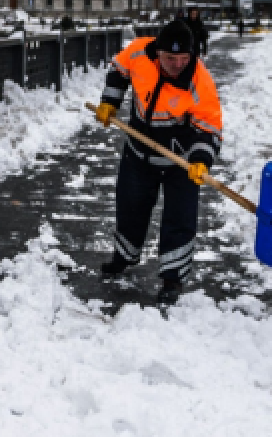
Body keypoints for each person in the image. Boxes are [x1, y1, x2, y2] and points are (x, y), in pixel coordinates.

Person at [93, 19, 223, 305]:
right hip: (139, 150)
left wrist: (201, 159)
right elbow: (118, 70)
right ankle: (123, 257)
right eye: (170, 58)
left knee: (179, 217)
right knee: (130, 207)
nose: (177, 65)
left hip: (181, 160)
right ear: (157, 53)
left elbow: (210, 126)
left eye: (184, 58)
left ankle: (172, 279)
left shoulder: (199, 80)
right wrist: (109, 102)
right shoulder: (139, 52)